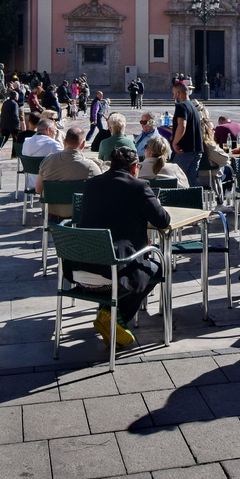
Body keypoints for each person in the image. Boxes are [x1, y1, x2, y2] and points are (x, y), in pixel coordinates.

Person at [68, 144, 170, 346]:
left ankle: (109, 313)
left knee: (115, 261)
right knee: (158, 268)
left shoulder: (91, 184)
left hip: (81, 267)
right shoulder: (139, 187)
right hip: (115, 271)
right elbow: (163, 221)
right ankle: (115, 316)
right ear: (135, 168)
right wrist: (154, 202)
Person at [38, 126, 105, 221]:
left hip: (51, 214)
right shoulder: (91, 166)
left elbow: (38, 189)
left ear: (64, 142)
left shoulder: (48, 160)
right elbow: (101, 194)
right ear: (83, 144)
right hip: (80, 216)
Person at [168, 75, 204, 186]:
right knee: (191, 182)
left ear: (178, 93)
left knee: (177, 181)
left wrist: (174, 142)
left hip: (184, 150)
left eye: (174, 94)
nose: (173, 96)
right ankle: (193, 203)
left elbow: (182, 126)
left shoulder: (181, 107)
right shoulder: (193, 107)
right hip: (196, 149)